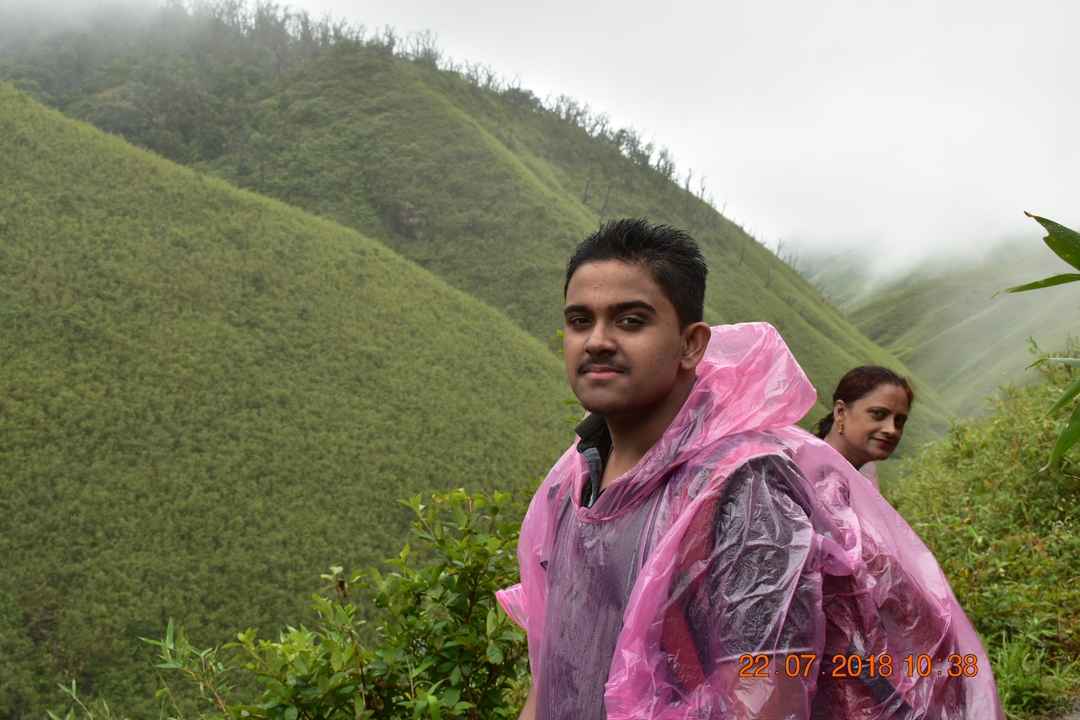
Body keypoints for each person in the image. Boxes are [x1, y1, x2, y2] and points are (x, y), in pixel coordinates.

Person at [496, 219, 1002, 719]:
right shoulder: (572, 481)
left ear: (691, 344)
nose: (598, 340)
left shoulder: (742, 489)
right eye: (580, 321)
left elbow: (767, 696)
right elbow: (556, 668)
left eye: (631, 320)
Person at [814, 366, 914, 489]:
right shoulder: (798, 472)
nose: (892, 430)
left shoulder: (858, 485)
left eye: (899, 421)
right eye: (878, 414)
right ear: (841, 412)